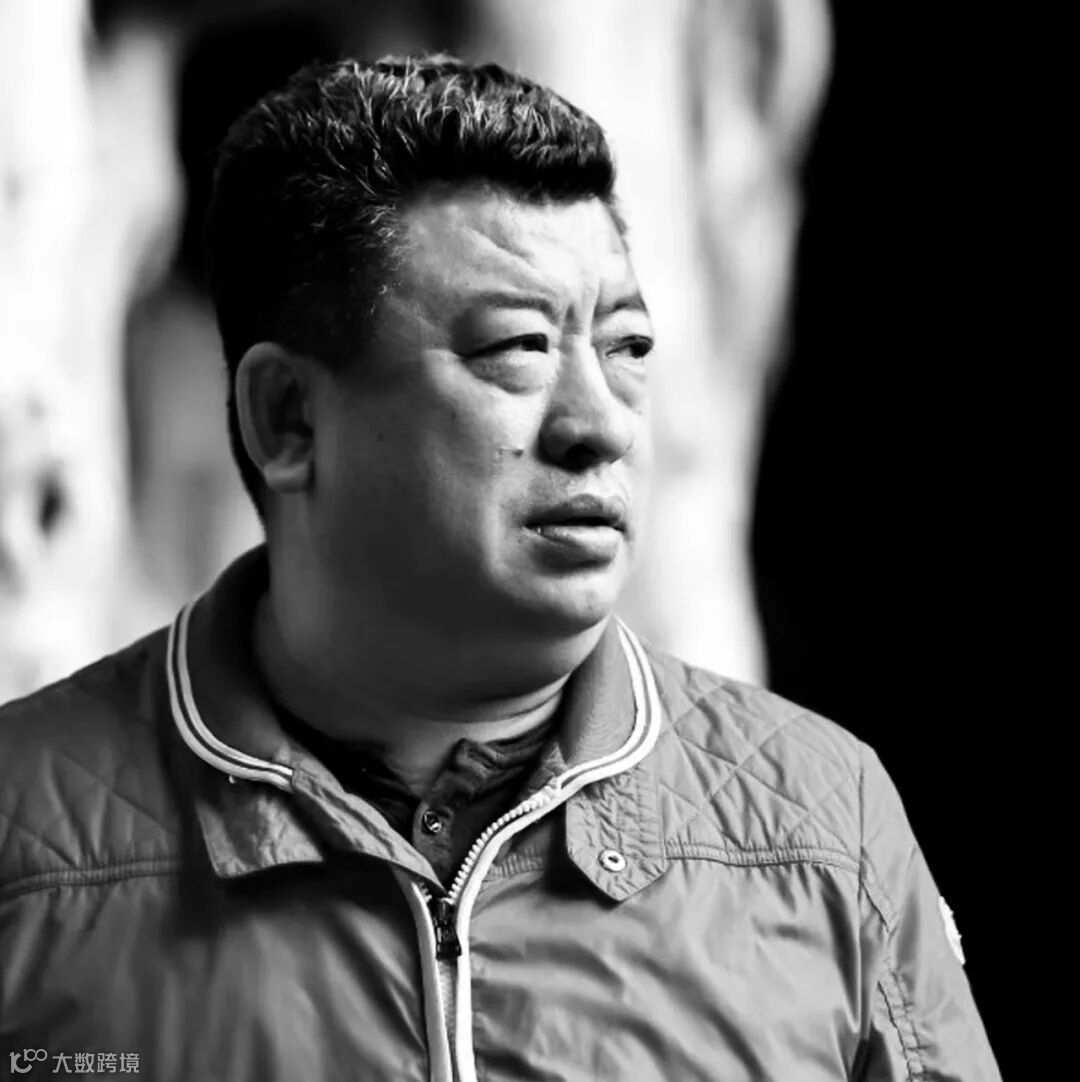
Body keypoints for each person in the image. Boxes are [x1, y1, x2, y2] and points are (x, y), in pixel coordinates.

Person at [0, 55, 999, 1082]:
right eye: (519, 347)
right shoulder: (24, 844)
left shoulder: (824, 824)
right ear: (289, 419)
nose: (602, 425)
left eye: (627, 346)